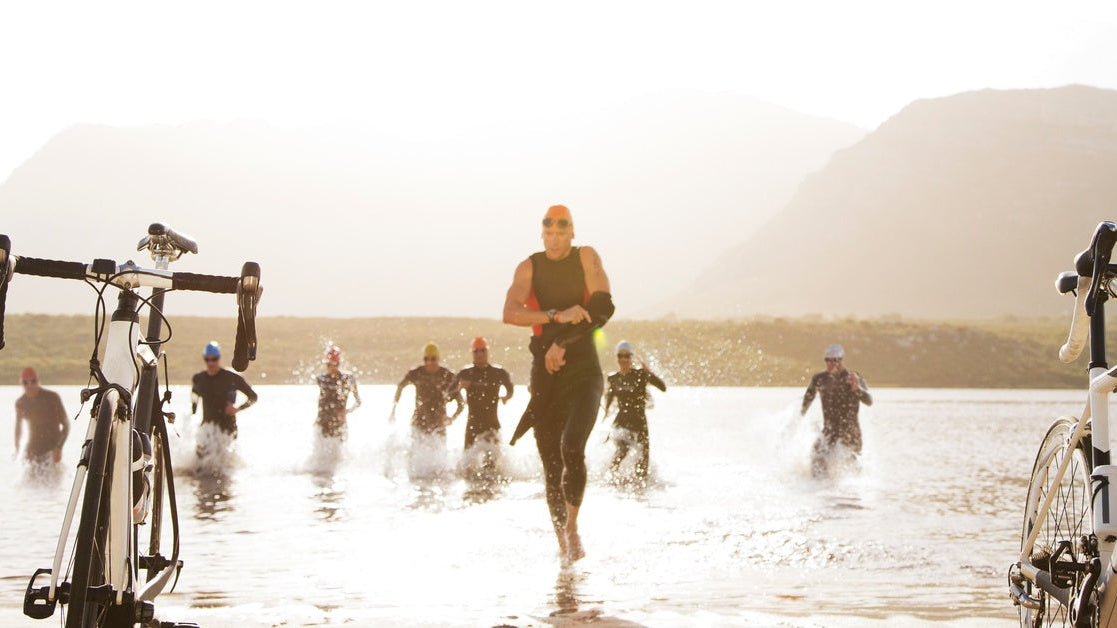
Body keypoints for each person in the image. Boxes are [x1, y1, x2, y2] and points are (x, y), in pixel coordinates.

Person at [503, 204, 614, 563]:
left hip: (583, 371)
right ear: (542, 234)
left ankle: (573, 527)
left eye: (560, 233)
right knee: (551, 464)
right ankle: (562, 543)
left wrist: (561, 342)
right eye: (548, 233)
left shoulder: (586, 257)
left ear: (571, 233)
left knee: (571, 447)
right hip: (545, 376)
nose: (553, 240)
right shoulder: (529, 266)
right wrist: (554, 315)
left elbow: (602, 308)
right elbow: (511, 312)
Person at [800, 344, 872, 477]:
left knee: (853, 470)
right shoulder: (820, 379)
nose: (831, 363)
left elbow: (869, 401)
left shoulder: (853, 378)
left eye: (835, 360)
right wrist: (800, 416)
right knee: (816, 457)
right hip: (830, 430)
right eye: (828, 360)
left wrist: (857, 389)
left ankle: (853, 492)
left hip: (850, 432)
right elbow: (808, 398)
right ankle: (819, 490)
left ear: (841, 360)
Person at [604, 341, 666, 485]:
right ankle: (610, 481)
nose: (623, 360)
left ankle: (640, 489)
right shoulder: (613, 378)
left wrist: (649, 372)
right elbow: (608, 400)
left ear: (631, 357)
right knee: (621, 451)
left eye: (627, 356)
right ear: (617, 358)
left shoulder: (640, 375)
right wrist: (604, 414)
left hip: (639, 422)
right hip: (622, 422)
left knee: (643, 460)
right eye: (620, 356)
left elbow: (662, 387)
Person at [449, 336, 514, 451]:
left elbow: (510, 389)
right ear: (472, 353)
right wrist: (459, 388)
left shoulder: (498, 372)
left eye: (483, 350)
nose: (479, 354)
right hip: (473, 426)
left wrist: (506, 397)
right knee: (467, 464)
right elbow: (448, 395)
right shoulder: (465, 373)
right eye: (476, 351)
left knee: (492, 465)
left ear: (487, 351)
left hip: (492, 425)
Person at [392, 342, 463, 446]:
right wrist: (394, 408)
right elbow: (400, 386)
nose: (429, 362)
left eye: (433, 359)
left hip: (438, 424)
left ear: (438, 359)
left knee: (438, 458)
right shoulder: (416, 373)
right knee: (416, 455)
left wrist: (452, 417)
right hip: (419, 422)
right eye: (426, 359)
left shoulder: (447, 375)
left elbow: (461, 403)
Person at [191, 341, 258, 439]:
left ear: (219, 358)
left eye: (214, 359)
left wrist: (238, 409)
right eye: (207, 359)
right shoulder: (198, 379)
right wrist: (192, 416)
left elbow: (253, 397)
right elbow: (194, 399)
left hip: (227, 431)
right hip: (207, 429)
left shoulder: (231, 378)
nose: (211, 363)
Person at [13, 367, 69, 465]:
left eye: (33, 381)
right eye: (26, 382)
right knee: (28, 478)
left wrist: (59, 448)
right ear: (21, 384)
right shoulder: (21, 403)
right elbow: (18, 427)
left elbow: (66, 425)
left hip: (52, 449)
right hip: (33, 451)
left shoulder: (52, 398)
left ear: (38, 382)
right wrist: (17, 448)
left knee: (55, 478)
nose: (30, 385)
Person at [315, 345, 361, 439]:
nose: (332, 368)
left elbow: (358, 402)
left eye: (335, 364)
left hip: (339, 425)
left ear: (339, 364)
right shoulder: (321, 379)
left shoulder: (347, 379)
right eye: (329, 365)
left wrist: (347, 411)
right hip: (322, 423)